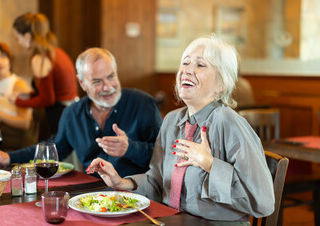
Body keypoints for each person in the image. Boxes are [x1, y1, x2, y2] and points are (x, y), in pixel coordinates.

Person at [86, 36, 275, 223]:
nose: (187, 70)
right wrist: (121, 182)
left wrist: (209, 163)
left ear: (222, 83)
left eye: (200, 65)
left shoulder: (230, 123)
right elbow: (158, 182)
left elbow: (262, 202)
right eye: (185, 63)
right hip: (172, 220)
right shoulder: (171, 120)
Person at [0, 48, 163, 177]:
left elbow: (163, 157)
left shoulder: (143, 104)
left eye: (111, 77)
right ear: (82, 83)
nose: (108, 87)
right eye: (97, 81)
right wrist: (9, 157)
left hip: (136, 195)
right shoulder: (72, 113)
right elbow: (54, 149)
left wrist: (129, 148)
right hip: (88, 197)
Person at [10, 12, 78, 137]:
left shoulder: (40, 58)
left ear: (27, 36)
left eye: (17, 38)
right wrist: (28, 95)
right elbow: (51, 92)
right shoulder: (57, 52)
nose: (18, 42)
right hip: (71, 112)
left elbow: (47, 99)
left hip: (59, 116)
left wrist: (18, 102)